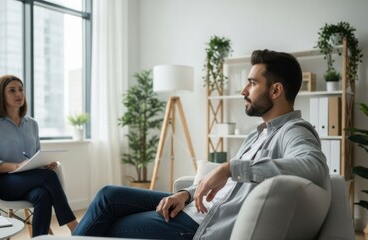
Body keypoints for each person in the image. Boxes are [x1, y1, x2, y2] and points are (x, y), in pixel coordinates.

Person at [73, 50, 330, 239]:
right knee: (108, 196)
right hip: (196, 206)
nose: (243, 90)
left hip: (200, 224)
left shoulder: (293, 130)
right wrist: (186, 193)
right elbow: (226, 185)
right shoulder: (257, 134)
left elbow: (313, 166)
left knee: (108, 224)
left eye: (252, 83)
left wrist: (230, 167)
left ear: (275, 91)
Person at [0, 75, 78, 237]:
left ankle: (39, 237)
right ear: (0, 95)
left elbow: (34, 156)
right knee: (49, 177)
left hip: (28, 179)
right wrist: (16, 166)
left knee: (43, 195)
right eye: (12, 90)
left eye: (21, 89)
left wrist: (43, 164)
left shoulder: (32, 124)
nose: (19, 94)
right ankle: (74, 227)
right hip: (3, 182)